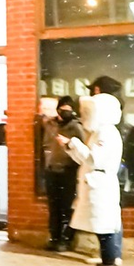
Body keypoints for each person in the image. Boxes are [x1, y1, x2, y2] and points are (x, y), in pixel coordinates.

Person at [61, 92, 123, 266]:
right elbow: (87, 159)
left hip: (101, 187)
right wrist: (71, 148)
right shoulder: (100, 132)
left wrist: (73, 144)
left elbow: (94, 159)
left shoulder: (106, 133)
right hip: (96, 185)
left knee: (105, 231)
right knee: (103, 231)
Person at [42, 96, 86, 250]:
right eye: (63, 108)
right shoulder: (50, 124)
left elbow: (82, 149)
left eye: (69, 109)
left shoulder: (75, 127)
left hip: (68, 171)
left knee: (67, 206)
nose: (66, 112)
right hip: (52, 169)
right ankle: (54, 237)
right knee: (54, 206)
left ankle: (65, 240)